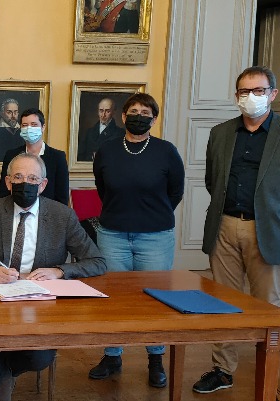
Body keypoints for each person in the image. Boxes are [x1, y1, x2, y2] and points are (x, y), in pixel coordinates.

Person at [192, 66, 280, 394]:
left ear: (272, 94)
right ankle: (222, 370)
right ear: (236, 96)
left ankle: (268, 374)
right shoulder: (221, 133)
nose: (251, 97)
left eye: (259, 90)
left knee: (267, 307)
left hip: (268, 231)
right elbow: (212, 181)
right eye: (244, 91)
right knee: (222, 302)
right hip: (224, 226)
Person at [0, 153, 106, 401]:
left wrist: (59, 271)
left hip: (41, 305)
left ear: (43, 184)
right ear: (8, 182)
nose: (25, 183)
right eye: (18, 177)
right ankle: (4, 376)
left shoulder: (62, 216)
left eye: (32, 178)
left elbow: (97, 262)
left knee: (41, 356)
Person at [88, 93, 185, 388]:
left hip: (155, 237)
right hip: (113, 235)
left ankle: (155, 358)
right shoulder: (107, 150)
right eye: (133, 111)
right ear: (123, 116)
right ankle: (112, 355)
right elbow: (103, 189)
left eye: (145, 112)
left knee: (155, 299)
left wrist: (150, 215)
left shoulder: (166, 151)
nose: (138, 116)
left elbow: (175, 193)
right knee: (113, 299)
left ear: (154, 119)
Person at [0, 108, 69, 205]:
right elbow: (3, 192)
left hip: (47, 211)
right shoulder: (11, 155)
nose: (29, 128)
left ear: (43, 127)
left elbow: (62, 196)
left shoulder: (58, 157)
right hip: (15, 210)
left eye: (34, 125)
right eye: (25, 125)